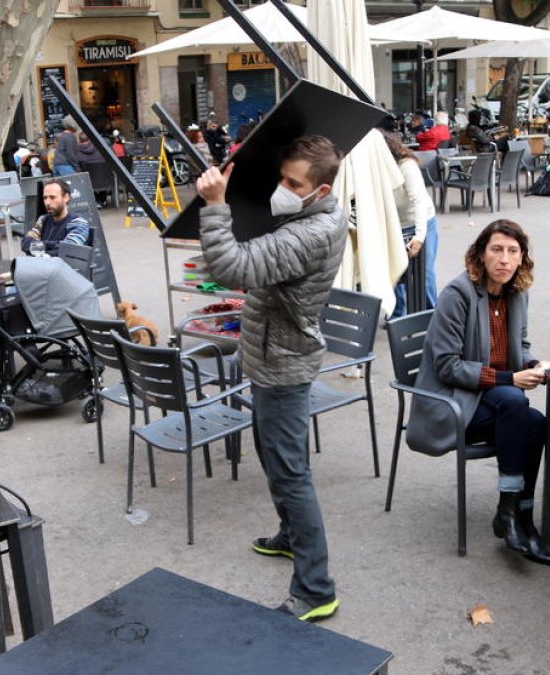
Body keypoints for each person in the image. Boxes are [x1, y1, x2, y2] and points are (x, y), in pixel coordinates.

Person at [195, 135, 347, 621]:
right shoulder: (310, 213)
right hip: (270, 358)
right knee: (274, 454)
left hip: (283, 364)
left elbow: (229, 266)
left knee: (290, 472)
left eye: (292, 183)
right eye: (281, 176)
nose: (281, 189)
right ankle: (289, 535)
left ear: (319, 191)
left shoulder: (311, 233)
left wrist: (217, 206)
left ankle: (316, 588)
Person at [406, 219, 550, 566]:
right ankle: (509, 516)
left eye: (513, 251)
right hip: (451, 402)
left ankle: (519, 517)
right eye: (497, 250)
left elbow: (519, 344)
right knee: (514, 402)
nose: (504, 259)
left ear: (522, 259)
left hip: (494, 402)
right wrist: (510, 379)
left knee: (534, 423)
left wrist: (536, 364)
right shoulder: (457, 294)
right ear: (480, 254)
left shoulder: (517, 292)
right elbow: (447, 366)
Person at [383, 132, 438, 315]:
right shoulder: (374, 169)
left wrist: (419, 236)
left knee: (425, 273)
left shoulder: (406, 166)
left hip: (421, 221)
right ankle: (399, 315)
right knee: (395, 270)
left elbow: (419, 201)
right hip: (395, 224)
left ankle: (432, 315)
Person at [21, 178, 89, 257]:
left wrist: (40, 247)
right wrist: (56, 244)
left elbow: (67, 249)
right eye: (45, 198)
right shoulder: (43, 220)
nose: (47, 202)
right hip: (44, 266)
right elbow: (26, 243)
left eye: (52, 197)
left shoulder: (78, 222)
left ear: (66, 197)